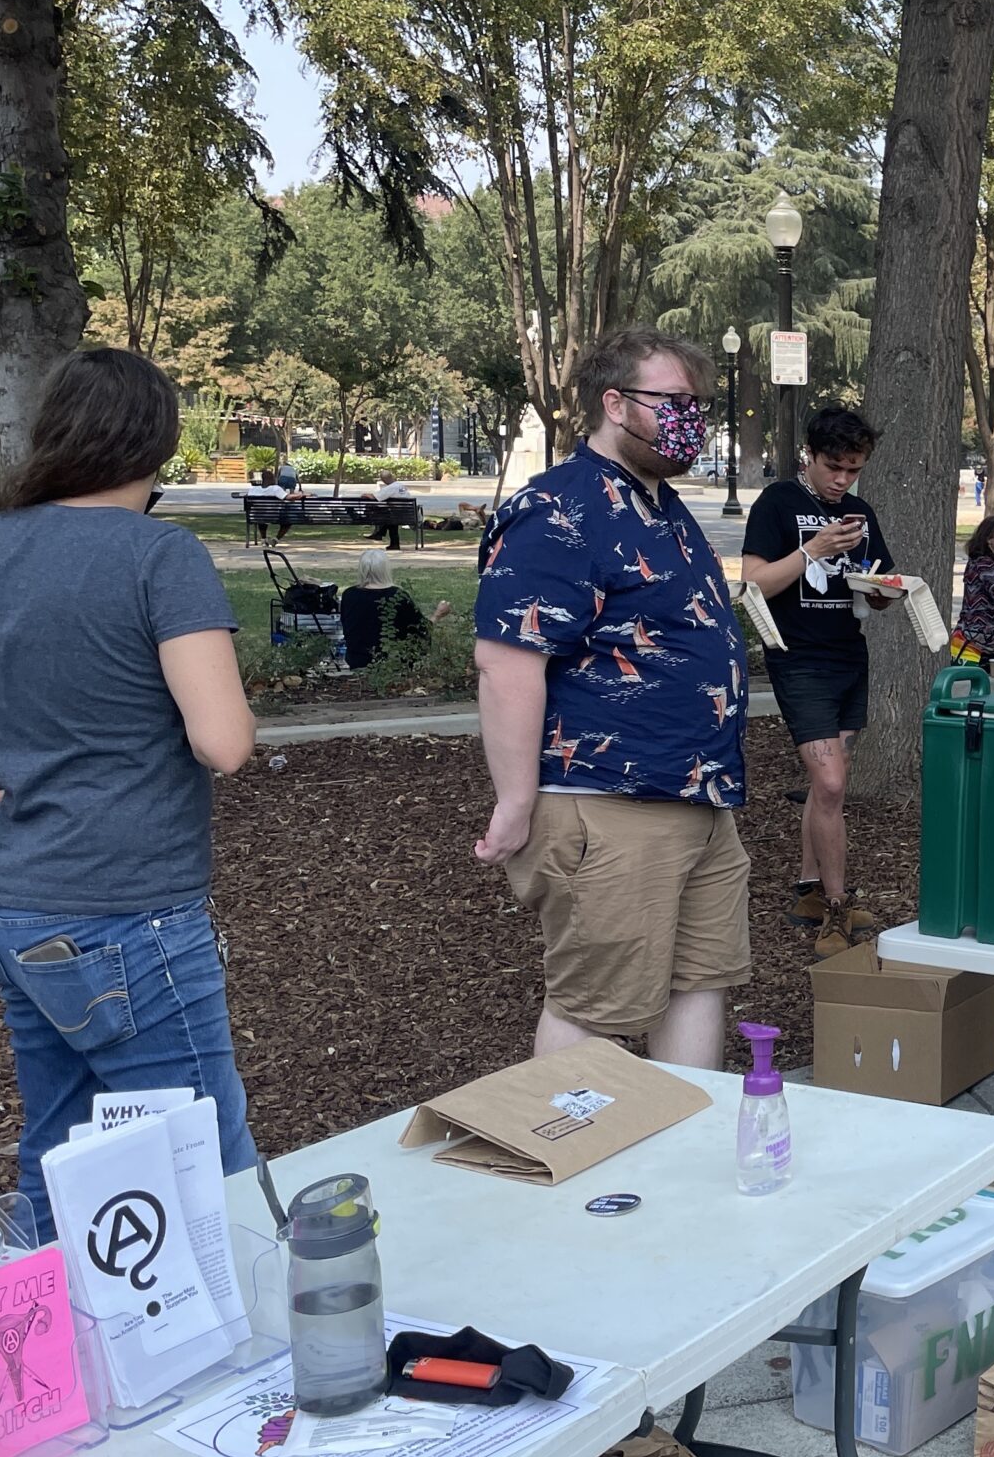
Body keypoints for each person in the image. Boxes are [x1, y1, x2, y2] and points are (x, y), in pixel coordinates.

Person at [0, 348, 258, 1240]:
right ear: (156, 443)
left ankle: (33, 1359)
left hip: (11, 907)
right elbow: (226, 742)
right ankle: (261, 1368)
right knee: (209, 1163)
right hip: (128, 918)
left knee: (60, 1152)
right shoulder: (160, 556)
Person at [473, 326, 749, 1071]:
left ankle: (679, 1154)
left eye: (699, 404)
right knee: (593, 1006)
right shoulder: (558, 508)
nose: (691, 418)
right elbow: (506, 662)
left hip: (697, 797)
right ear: (614, 403)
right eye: (673, 402)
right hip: (606, 798)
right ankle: (555, 1162)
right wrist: (514, 800)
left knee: (699, 981)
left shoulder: (662, 506)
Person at [739, 405, 896, 959]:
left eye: (853, 470)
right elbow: (753, 583)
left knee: (830, 785)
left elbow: (875, 582)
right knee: (829, 786)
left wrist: (881, 590)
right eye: (834, 467)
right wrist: (812, 550)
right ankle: (837, 905)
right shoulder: (780, 503)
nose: (842, 480)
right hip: (798, 659)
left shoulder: (859, 512)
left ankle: (808, 890)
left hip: (849, 658)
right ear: (811, 455)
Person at [341, 548, 452, 670]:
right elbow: (421, 629)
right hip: (392, 661)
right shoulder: (397, 596)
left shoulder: (349, 595)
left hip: (357, 659)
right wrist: (437, 615)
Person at [953, 514, 994, 664]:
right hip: (982, 635)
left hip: (979, 631)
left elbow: (992, 577)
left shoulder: (982, 562)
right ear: (989, 539)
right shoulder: (984, 564)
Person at [368, 471, 414, 550]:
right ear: (392, 476)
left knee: (386, 516)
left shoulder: (391, 487)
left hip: (397, 515)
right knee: (390, 519)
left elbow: (375, 497)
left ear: (383, 480)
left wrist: (365, 495)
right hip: (408, 514)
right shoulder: (401, 486)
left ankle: (379, 533)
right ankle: (391, 542)